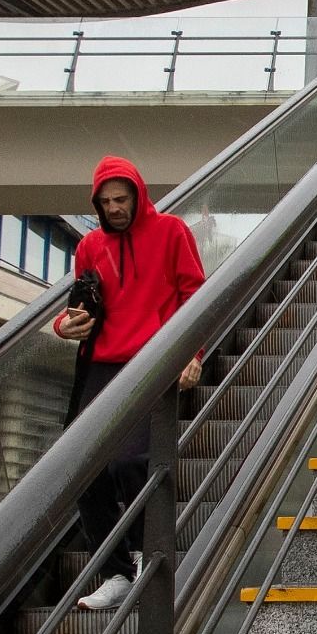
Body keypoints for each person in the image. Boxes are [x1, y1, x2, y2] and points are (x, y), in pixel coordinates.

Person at [54, 156, 205, 610]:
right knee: (83, 467)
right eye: (105, 202)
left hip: (154, 359)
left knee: (130, 460)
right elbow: (77, 305)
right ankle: (116, 572)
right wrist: (66, 325)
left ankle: (147, 556)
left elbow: (195, 294)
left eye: (121, 199)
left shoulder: (171, 232)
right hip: (101, 364)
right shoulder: (90, 245)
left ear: (138, 194)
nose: (114, 208)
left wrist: (192, 355)